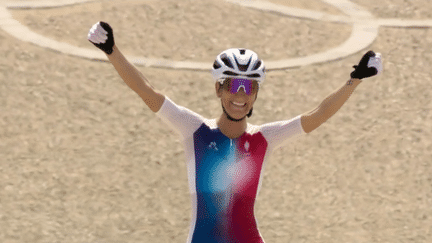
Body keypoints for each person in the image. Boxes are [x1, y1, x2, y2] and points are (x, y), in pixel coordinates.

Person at [87, 21, 383, 243]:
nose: (240, 95)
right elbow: (145, 90)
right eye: (233, 85)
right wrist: (112, 51)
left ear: (256, 94)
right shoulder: (194, 130)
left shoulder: (265, 138)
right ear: (218, 88)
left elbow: (317, 115)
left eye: (249, 87)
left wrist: (353, 80)